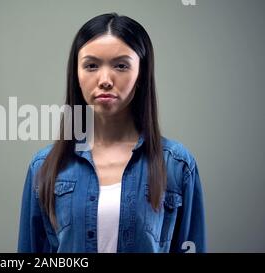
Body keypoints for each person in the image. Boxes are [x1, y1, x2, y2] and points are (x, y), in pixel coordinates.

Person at [17, 12, 206, 253]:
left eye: (121, 65)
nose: (105, 80)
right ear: (76, 74)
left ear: (141, 73)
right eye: (91, 66)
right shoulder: (44, 167)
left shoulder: (178, 165)